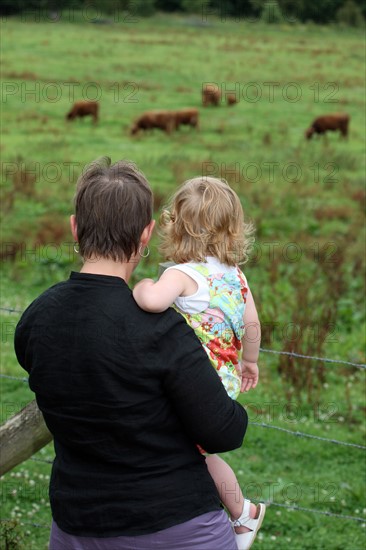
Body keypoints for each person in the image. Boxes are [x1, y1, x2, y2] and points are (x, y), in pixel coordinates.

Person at [14, 158, 248, 550]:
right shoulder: (162, 328)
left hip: (75, 529)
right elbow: (224, 431)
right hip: (176, 529)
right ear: (146, 234)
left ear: (75, 226)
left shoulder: (37, 318)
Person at [133, 176, 266, 550]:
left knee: (188, 451)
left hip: (193, 383)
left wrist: (143, 284)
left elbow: (154, 302)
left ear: (175, 226)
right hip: (222, 381)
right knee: (195, 451)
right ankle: (236, 513)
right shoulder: (236, 276)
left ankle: (243, 513)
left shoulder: (180, 274)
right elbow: (252, 324)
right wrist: (250, 363)